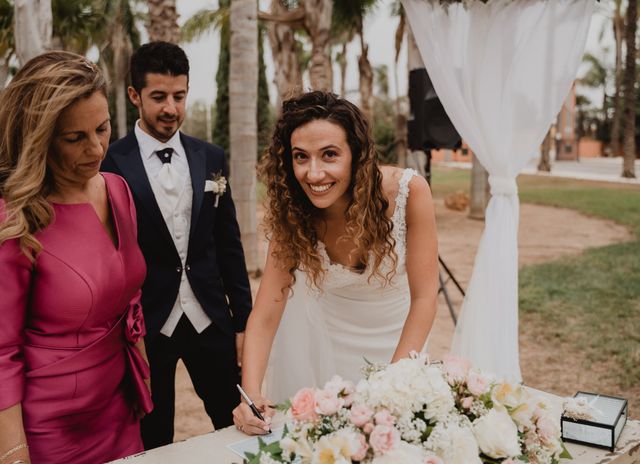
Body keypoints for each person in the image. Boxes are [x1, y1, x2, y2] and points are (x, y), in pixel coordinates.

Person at [233, 91, 440, 435]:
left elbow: (425, 299)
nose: (314, 174)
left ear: (356, 155)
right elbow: (266, 314)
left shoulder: (408, 193)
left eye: (329, 155)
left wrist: (390, 387)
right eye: (301, 157)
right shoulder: (292, 214)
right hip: (323, 350)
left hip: (401, 344)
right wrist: (251, 393)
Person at [0, 51, 151, 463]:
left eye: (102, 129)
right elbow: (2, 354)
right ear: (40, 137)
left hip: (121, 410)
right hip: (49, 431)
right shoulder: (15, 219)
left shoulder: (118, 190)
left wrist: (141, 370)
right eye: (75, 138)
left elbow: (129, 295)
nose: (97, 147)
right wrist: (14, 453)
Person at [101, 41, 252, 448]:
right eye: (158, 97)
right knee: (154, 437)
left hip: (211, 319)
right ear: (135, 96)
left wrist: (243, 321)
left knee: (235, 422)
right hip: (147, 327)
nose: (171, 108)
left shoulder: (210, 156)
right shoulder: (109, 163)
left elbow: (229, 245)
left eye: (179, 96)